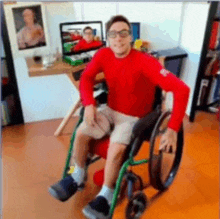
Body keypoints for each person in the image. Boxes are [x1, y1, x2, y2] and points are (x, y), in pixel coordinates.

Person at [49, 15, 190, 219]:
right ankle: (78, 175)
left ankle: (106, 195)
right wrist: (89, 104)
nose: (118, 39)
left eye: (123, 33)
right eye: (113, 34)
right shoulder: (103, 54)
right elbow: (87, 77)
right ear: (107, 38)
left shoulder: (145, 61)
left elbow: (182, 90)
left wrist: (173, 129)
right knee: (81, 132)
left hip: (133, 118)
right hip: (110, 109)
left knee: (116, 147)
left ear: (130, 37)